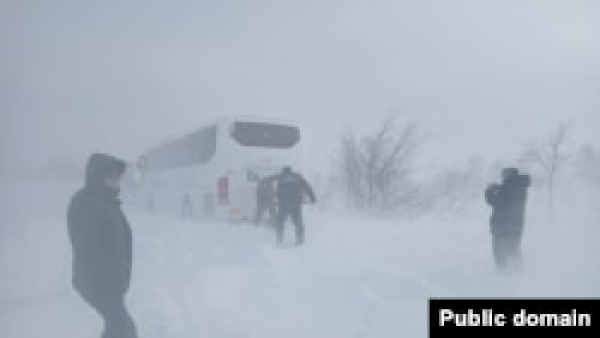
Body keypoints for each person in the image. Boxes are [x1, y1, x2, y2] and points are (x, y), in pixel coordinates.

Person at [67, 153, 137, 338]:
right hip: (98, 282)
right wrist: (112, 273)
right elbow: (88, 247)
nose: (116, 183)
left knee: (115, 329)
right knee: (126, 330)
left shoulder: (105, 202)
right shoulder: (86, 204)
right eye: (110, 178)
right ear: (96, 177)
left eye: (117, 178)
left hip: (110, 282)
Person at [485, 167, 531, 272]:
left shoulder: (508, 188)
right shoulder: (520, 187)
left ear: (509, 175)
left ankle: (503, 273)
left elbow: (496, 201)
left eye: (504, 174)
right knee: (514, 248)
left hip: (502, 224)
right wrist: (500, 188)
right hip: (517, 225)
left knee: (499, 249)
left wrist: (489, 191)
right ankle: (519, 272)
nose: (503, 177)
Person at [275, 166, 316, 245]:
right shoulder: (297, 176)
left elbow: (277, 191)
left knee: (280, 221)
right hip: (296, 203)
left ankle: (279, 239)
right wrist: (312, 197)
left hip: (283, 203)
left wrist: (277, 199)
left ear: (283, 171)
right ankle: (299, 239)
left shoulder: (281, 177)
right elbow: (307, 186)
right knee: (297, 221)